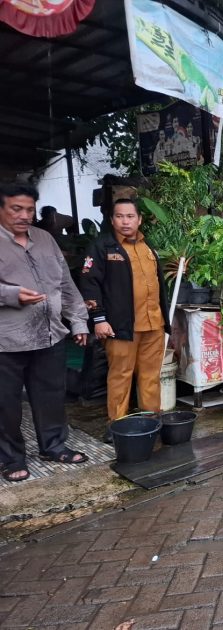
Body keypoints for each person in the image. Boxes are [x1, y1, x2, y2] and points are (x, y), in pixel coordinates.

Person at [0, 183, 90, 482]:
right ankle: (11, 458)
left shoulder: (45, 239)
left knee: (51, 395)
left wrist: (78, 322)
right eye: (17, 209)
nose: (25, 215)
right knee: (6, 403)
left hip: (50, 334)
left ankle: (53, 446)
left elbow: (65, 285)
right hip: (7, 340)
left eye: (29, 209)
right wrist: (12, 295)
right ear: (2, 209)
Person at [79, 199, 170, 443]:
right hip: (121, 327)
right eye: (120, 216)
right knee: (121, 375)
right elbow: (89, 284)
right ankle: (116, 424)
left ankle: (151, 420)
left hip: (153, 324)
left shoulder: (147, 246)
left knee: (150, 375)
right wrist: (98, 318)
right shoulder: (102, 247)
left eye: (130, 216)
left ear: (139, 219)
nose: (125, 221)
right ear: (112, 220)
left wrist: (167, 321)